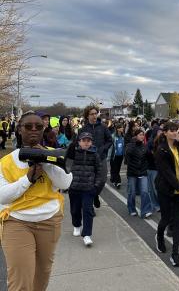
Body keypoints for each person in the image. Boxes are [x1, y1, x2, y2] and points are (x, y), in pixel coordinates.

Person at [0, 111, 72, 291]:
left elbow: (65, 182)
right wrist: (27, 180)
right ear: (19, 129)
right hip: (17, 222)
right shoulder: (6, 162)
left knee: (42, 275)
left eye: (39, 127)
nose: (33, 130)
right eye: (28, 126)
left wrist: (47, 162)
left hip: (49, 221)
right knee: (20, 280)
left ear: (44, 129)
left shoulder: (52, 155)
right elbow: (3, 196)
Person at [154, 121, 179, 267]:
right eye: (172, 130)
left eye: (177, 130)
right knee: (166, 219)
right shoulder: (161, 150)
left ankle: (175, 254)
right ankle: (159, 236)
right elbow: (167, 173)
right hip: (166, 190)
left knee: (177, 222)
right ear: (166, 132)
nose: (175, 132)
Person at [67, 132, 103, 246]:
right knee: (75, 209)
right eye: (84, 140)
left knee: (88, 211)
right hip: (75, 187)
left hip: (88, 188)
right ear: (79, 142)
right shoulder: (74, 152)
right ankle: (76, 225)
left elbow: (99, 172)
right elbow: (66, 163)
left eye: (88, 140)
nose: (86, 142)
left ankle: (87, 235)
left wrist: (96, 186)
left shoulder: (95, 155)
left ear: (91, 142)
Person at [80, 106, 112, 209]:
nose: (94, 116)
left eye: (95, 113)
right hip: (88, 160)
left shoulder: (103, 127)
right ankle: (90, 207)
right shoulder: (83, 129)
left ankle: (95, 195)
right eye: (92, 114)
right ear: (87, 116)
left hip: (101, 158)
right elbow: (78, 143)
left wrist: (103, 149)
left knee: (102, 180)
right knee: (90, 183)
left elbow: (110, 140)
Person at [125, 128, 153, 218]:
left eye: (143, 135)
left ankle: (146, 211)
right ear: (136, 136)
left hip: (143, 172)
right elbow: (127, 159)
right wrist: (133, 144)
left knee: (145, 191)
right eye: (140, 134)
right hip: (132, 173)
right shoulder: (130, 145)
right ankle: (132, 209)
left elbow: (150, 158)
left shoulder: (145, 147)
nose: (142, 136)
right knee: (132, 192)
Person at [109, 124, 125, 188]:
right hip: (114, 155)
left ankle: (113, 179)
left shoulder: (123, 136)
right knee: (115, 168)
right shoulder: (113, 136)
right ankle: (118, 181)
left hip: (120, 155)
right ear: (117, 129)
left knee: (117, 169)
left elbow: (123, 146)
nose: (122, 128)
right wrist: (109, 156)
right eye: (121, 127)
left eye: (122, 127)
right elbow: (110, 146)